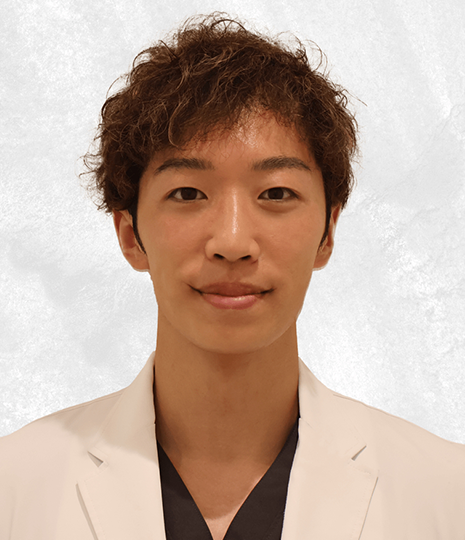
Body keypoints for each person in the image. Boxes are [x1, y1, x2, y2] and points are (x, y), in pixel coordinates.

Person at [1, 13, 464, 540]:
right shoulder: (16, 489)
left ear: (328, 232)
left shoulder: (443, 495)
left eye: (276, 193)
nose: (233, 241)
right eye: (188, 194)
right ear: (130, 234)